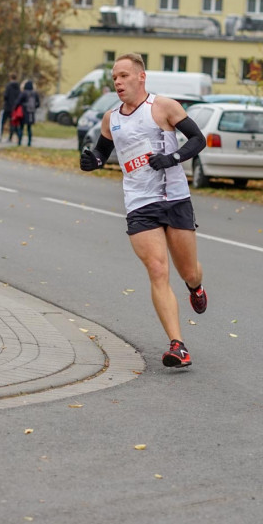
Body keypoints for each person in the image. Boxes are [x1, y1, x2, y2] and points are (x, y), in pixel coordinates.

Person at [79, 53, 209, 368]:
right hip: (139, 203)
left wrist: (172, 158)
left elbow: (198, 139)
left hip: (175, 198)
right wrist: (92, 161)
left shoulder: (164, 107)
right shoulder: (112, 118)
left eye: (124, 76)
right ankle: (178, 345)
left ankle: (196, 287)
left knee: (187, 271)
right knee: (157, 269)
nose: (118, 82)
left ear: (141, 77)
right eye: (114, 78)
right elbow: (103, 151)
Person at [16, 80, 40, 147]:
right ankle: (29, 142)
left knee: (21, 127)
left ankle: (19, 142)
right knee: (29, 128)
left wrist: (16, 108)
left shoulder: (24, 93)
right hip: (31, 113)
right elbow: (38, 104)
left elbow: (18, 102)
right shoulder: (35, 94)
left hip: (23, 112)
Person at [2, 74, 22, 143]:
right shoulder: (18, 87)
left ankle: (0, 136)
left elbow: (5, 96)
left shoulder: (8, 86)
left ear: (10, 78)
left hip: (7, 107)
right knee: (13, 123)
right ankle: (11, 137)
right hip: (14, 108)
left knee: (3, 122)